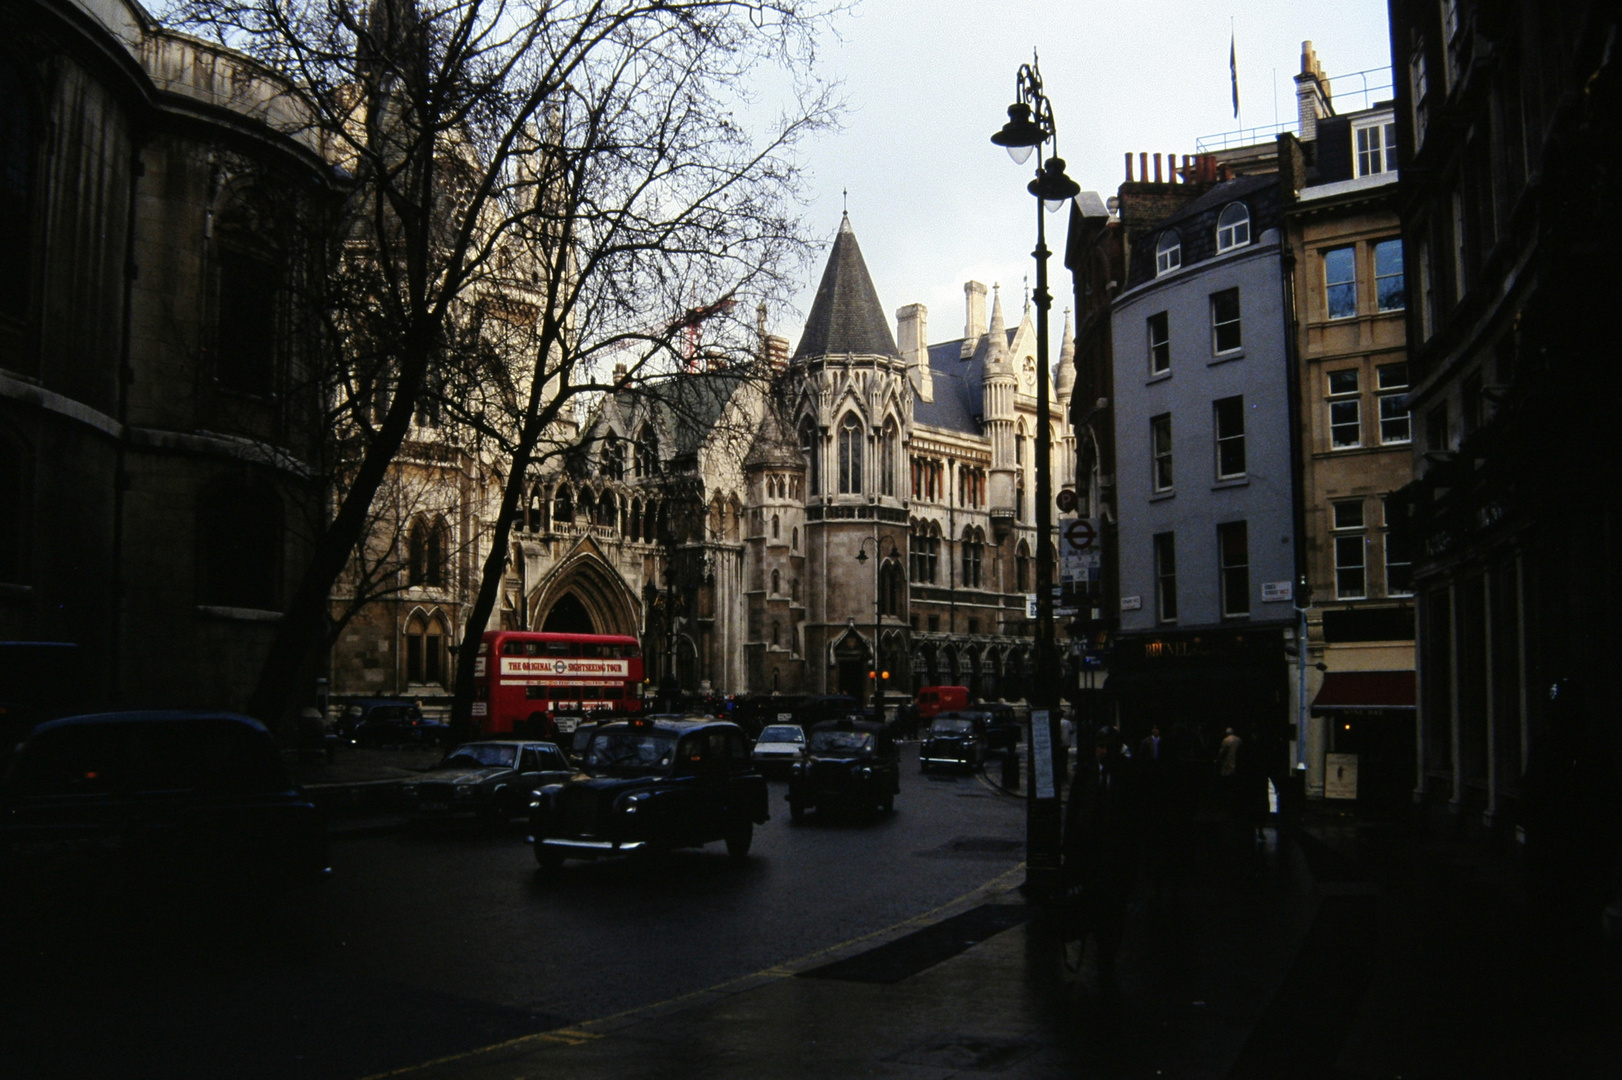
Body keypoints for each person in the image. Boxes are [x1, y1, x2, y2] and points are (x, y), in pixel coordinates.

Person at [1058, 725, 1140, 987]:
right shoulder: (1087, 772)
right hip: (1090, 858)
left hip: (1116, 859)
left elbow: (1135, 819)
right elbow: (1073, 813)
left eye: (1107, 747)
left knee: (1113, 914)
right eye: (1100, 746)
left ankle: (1107, 958)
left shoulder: (1126, 775)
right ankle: (1100, 950)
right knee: (1093, 908)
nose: (1103, 752)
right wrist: (1069, 851)